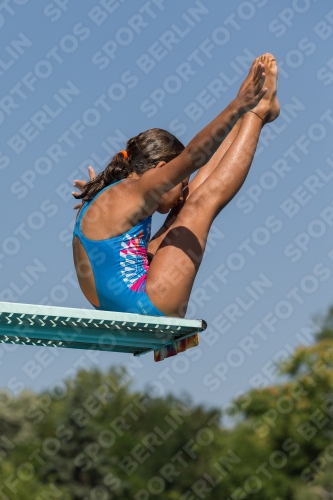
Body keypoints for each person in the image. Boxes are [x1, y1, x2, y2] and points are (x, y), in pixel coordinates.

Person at [72, 54, 279, 318]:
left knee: (184, 209)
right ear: (160, 170)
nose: (182, 192)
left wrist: (236, 112)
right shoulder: (137, 189)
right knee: (200, 203)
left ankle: (245, 117)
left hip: (121, 303)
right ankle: (256, 112)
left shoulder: (113, 194)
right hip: (144, 305)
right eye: (181, 183)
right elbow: (194, 156)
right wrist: (235, 106)